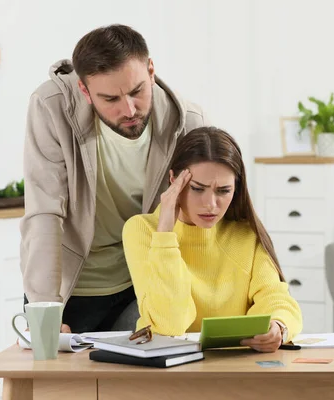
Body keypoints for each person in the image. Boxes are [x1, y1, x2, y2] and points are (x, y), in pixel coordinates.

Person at [20, 24, 209, 333]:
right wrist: (46, 310)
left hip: (141, 286)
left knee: (142, 381)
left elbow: (221, 217)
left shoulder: (187, 122)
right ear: (84, 90)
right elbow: (44, 212)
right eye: (110, 99)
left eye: (137, 91)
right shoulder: (51, 107)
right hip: (68, 290)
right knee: (58, 382)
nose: (129, 109)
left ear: (150, 70)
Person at [123, 127, 303, 353]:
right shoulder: (142, 230)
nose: (211, 204)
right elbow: (170, 324)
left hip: (235, 367)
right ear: (173, 180)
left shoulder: (245, 233)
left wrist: (278, 327)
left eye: (223, 191)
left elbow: (277, 299)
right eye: (198, 189)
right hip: (167, 369)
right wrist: (165, 235)